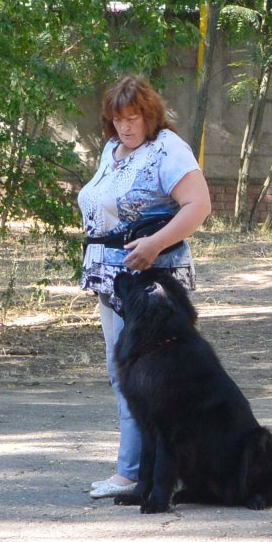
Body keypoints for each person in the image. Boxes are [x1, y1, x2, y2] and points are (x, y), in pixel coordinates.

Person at [78, 74, 212, 499]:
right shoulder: (110, 152)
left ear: (149, 115)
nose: (125, 127)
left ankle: (134, 472)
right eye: (117, 119)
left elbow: (199, 205)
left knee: (148, 377)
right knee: (123, 374)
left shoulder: (167, 149)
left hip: (152, 284)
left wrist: (154, 244)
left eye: (133, 118)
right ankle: (138, 469)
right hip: (111, 277)